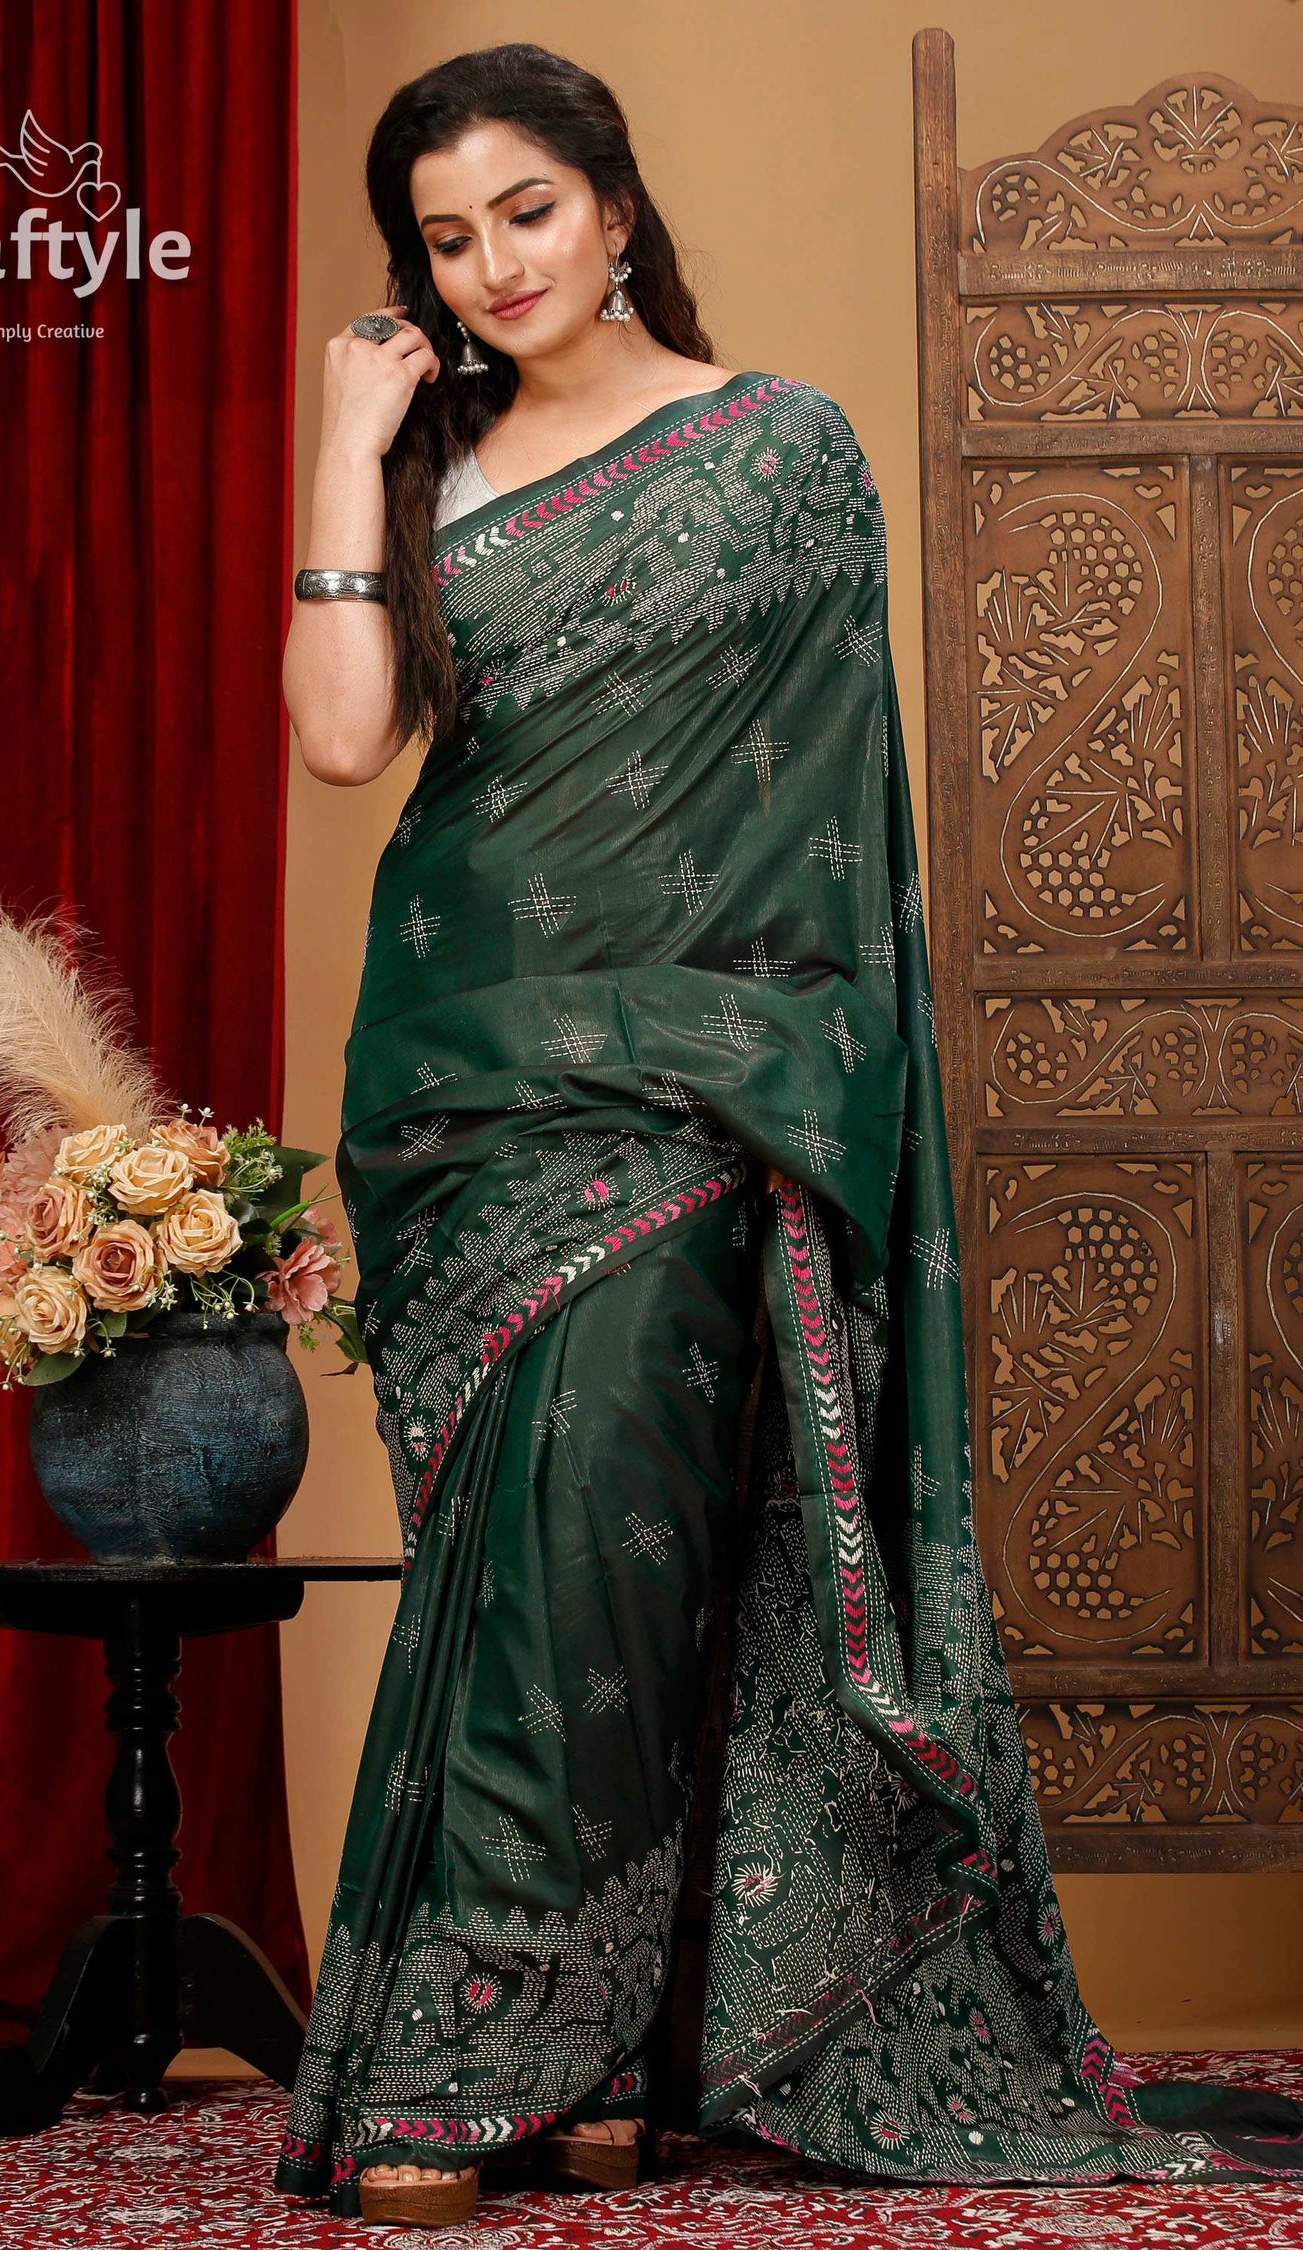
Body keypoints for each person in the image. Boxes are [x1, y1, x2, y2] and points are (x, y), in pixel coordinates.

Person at [276, 41, 1303, 2229]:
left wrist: (770, 1060)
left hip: (699, 1082)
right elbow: (351, 744)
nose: (494, 265)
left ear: (617, 207)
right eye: (448, 237)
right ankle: (589, 2062)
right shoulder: (432, 459)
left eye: (527, 212)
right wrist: (345, 455)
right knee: (518, 1572)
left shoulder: (779, 453)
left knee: (617, 1571)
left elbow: (828, 821)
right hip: (461, 1091)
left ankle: (501, 2056)